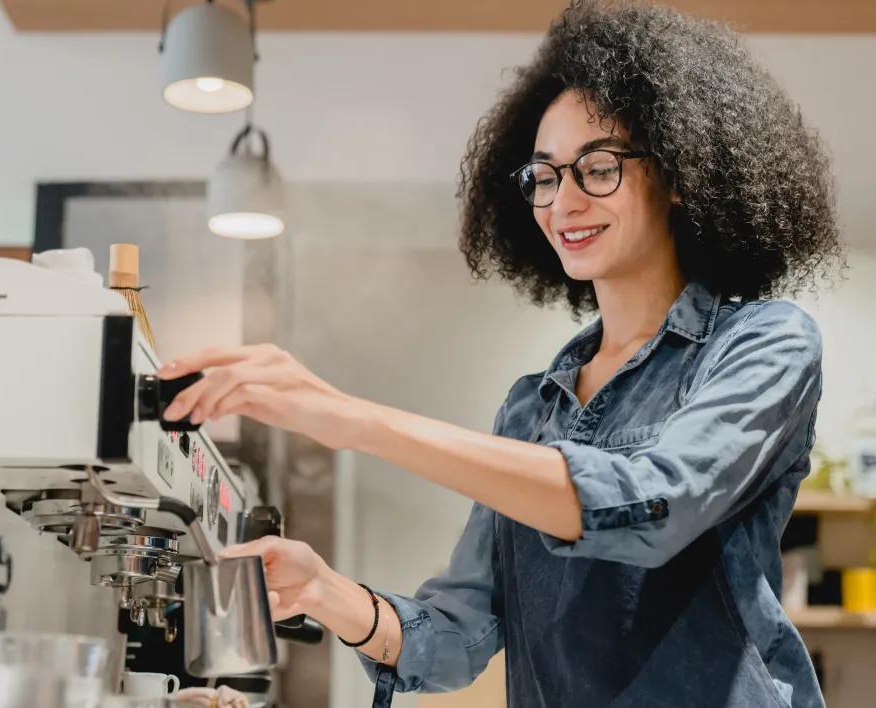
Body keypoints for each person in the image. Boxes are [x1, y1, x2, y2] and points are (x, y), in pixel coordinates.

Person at [158, 1, 841, 705]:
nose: (563, 202)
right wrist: (325, 591)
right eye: (544, 176)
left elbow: (649, 505)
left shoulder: (763, 343)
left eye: (597, 167)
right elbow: (455, 639)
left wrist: (352, 420)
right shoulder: (530, 409)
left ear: (676, 172)